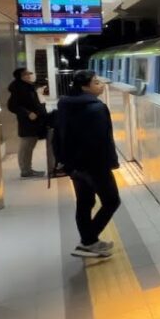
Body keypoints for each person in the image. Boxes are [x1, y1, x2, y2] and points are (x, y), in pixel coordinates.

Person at [55, 70, 120, 259]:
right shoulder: (96, 108)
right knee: (112, 201)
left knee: (85, 203)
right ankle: (88, 241)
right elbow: (102, 141)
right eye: (96, 82)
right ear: (85, 86)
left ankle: (89, 241)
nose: (101, 84)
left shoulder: (65, 105)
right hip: (95, 165)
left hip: (74, 165)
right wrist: (111, 163)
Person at [6, 68, 47, 178]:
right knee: (26, 145)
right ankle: (25, 170)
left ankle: (28, 169)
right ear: (20, 77)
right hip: (27, 121)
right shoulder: (18, 88)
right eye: (26, 74)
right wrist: (27, 113)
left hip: (33, 120)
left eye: (29, 73)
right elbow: (12, 106)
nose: (29, 75)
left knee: (30, 144)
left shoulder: (28, 87)